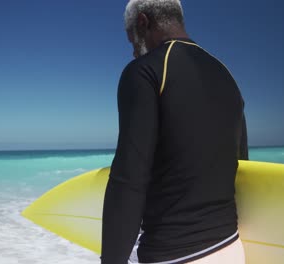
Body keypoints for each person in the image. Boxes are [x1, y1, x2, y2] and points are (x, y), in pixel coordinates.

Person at [101, 0, 249, 263]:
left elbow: (130, 178)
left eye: (132, 41)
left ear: (143, 22)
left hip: (173, 255)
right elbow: (243, 167)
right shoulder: (227, 75)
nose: (134, 52)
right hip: (232, 248)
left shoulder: (145, 72)